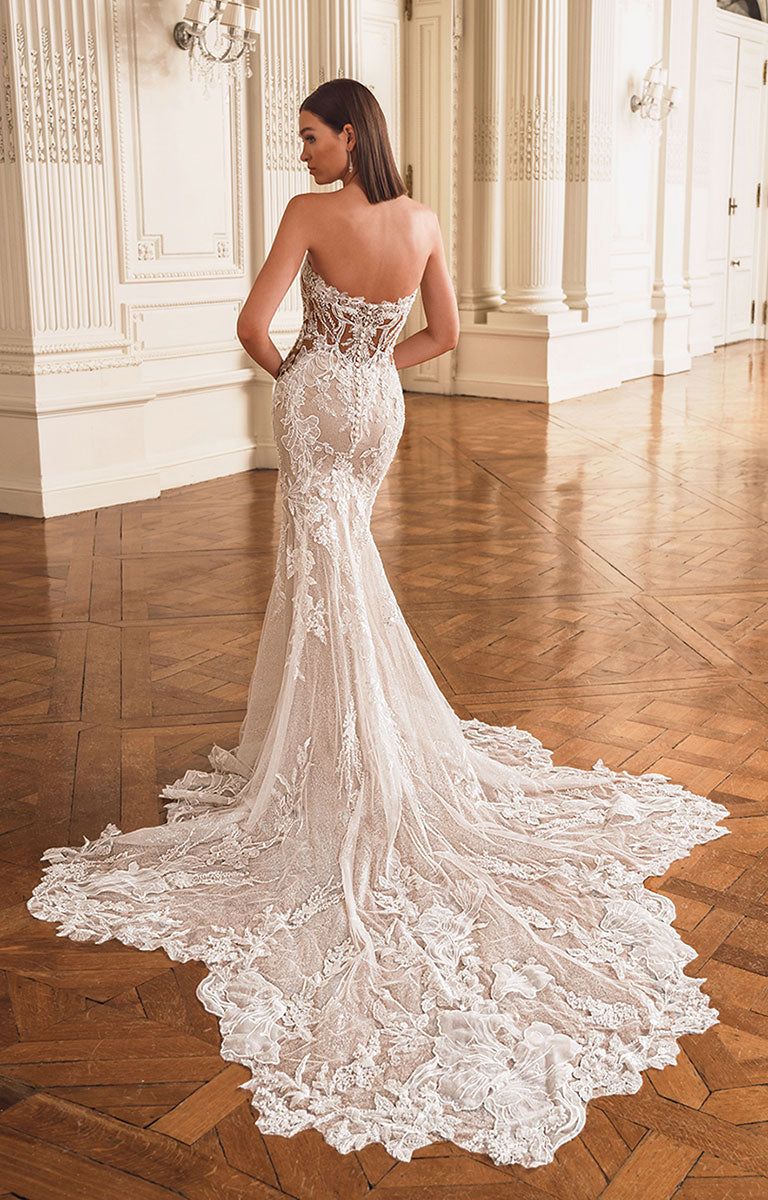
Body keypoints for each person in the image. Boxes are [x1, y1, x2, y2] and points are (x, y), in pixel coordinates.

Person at [27, 78, 731, 1169]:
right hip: (380, 408)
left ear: (349, 135)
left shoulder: (315, 216)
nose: (301, 152)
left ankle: (333, 758)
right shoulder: (425, 219)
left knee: (323, 578)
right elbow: (441, 333)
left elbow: (254, 328)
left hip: (320, 403)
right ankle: (353, 744)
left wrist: (304, 371)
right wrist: (369, 370)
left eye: (309, 134)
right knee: (344, 568)